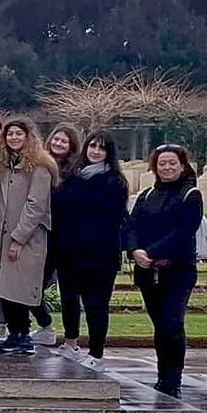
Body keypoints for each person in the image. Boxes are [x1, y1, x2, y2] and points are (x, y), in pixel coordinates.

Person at [125, 144, 204, 397]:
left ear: (182, 166)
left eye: (172, 163)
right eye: (162, 163)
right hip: (147, 271)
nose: (167, 168)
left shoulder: (191, 195)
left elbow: (183, 231)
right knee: (159, 325)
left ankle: (173, 378)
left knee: (172, 322)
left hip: (177, 271)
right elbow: (132, 225)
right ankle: (162, 376)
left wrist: (152, 252)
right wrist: (135, 250)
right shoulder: (146, 195)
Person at [52, 131, 129, 370]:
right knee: (69, 299)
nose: (95, 151)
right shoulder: (74, 177)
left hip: (99, 255)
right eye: (92, 146)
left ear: (109, 153)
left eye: (101, 148)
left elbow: (110, 220)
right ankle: (70, 342)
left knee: (96, 305)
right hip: (69, 251)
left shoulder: (113, 181)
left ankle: (97, 353)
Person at [0, 118, 57, 356]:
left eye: (18, 134)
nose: (14, 138)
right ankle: (15, 333)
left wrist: (19, 238)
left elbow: (35, 206)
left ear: (28, 137)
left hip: (26, 238)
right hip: (0, 236)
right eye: (10, 134)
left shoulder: (40, 166)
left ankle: (23, 333)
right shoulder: (4, 166)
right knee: (4, 287)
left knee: (20, 288)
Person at [31, 122, 84, 343]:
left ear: (71, 145)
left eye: (64, 141)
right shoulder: (40, 166)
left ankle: (71, 340)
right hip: (45, 236)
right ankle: (45, 325)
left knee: (69, 292)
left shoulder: (78, 171)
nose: (58, 143)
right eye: (56, 139)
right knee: (31, 288)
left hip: (69, 239)